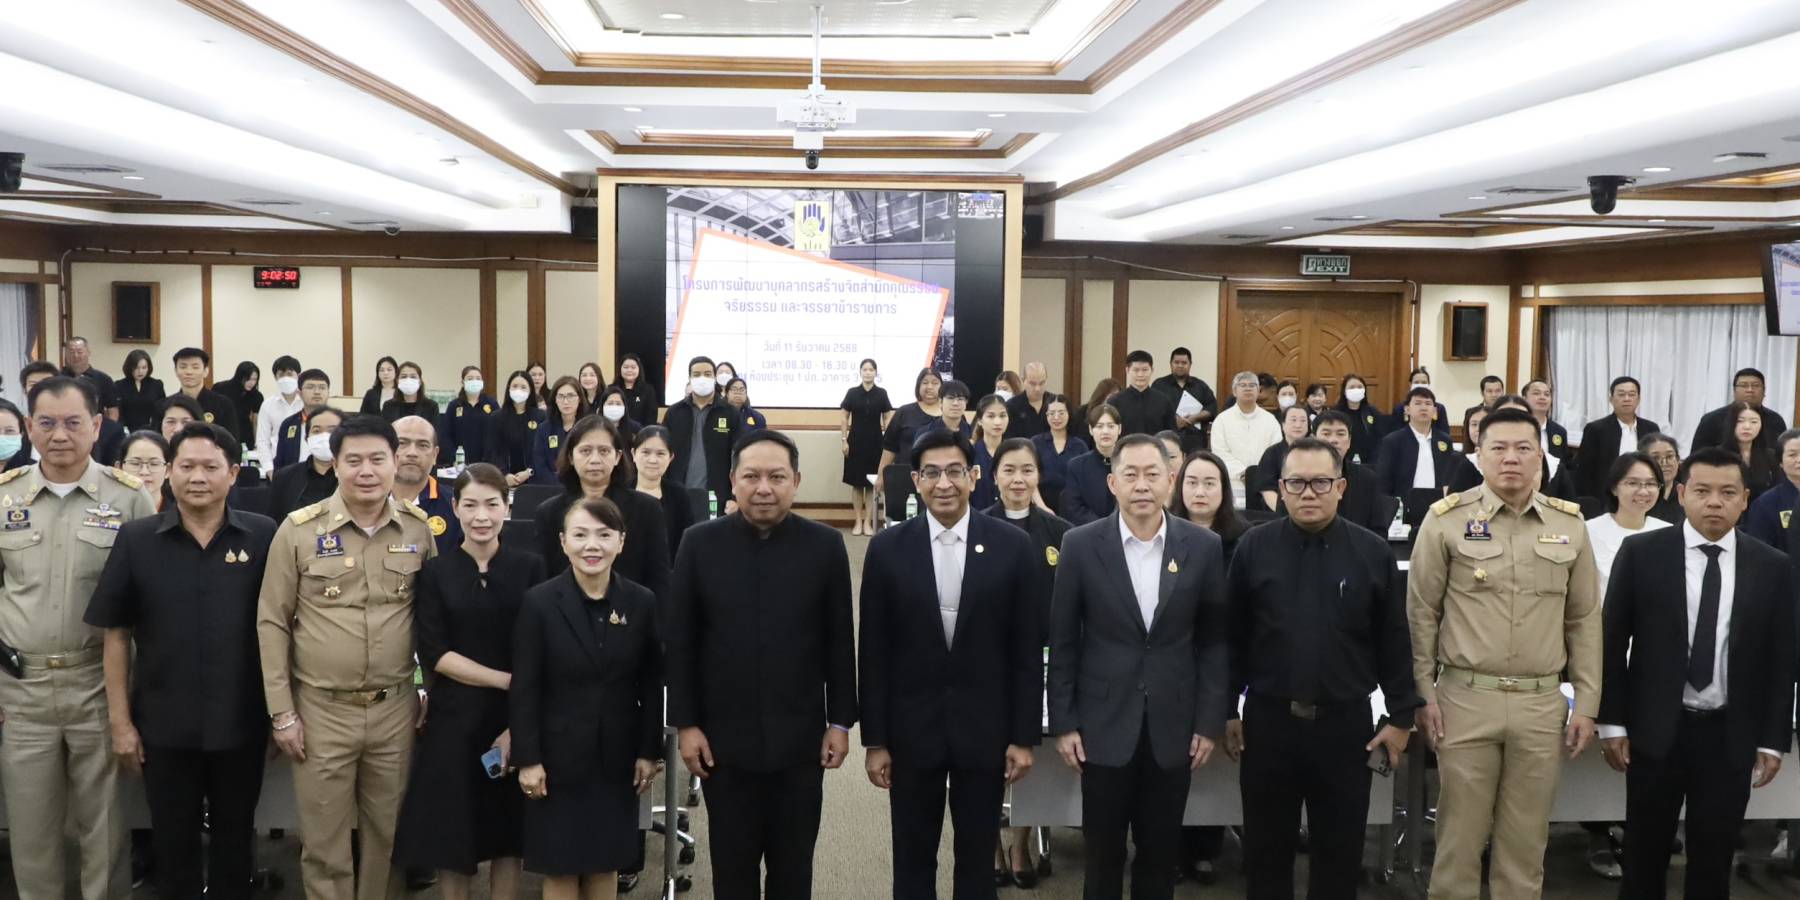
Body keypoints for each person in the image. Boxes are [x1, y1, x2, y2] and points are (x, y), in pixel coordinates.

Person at [1407, 407, 1600, 900]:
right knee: (1458, 841)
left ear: (1541, 457)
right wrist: (1423, 695)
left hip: (1540, 705)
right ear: (1479, 455)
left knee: (1525, 845)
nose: (1511, 458)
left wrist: (1588, 703)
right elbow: (1421, 614)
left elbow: (1583, 621)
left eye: (1523, 449)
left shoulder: (1570, 525)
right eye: (1498, 448)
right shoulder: (1446, 520)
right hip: (1465, 700)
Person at [85, 422, 274, 900]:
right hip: (164, 727)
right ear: (168, 473)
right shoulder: (137, 539)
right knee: (174, 848)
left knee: (236, 844)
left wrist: (280, 712)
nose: (198, 477)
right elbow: (115, 633)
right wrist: (120, 722)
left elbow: (284, 628)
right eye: (186, 466)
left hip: (242, 723)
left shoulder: (264, 536)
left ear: (233, 473)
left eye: (211, 467)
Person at [1225, 437, 1419, 900]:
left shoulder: (1373, 553)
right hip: (1269, 724)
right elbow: (1231, 637)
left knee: (1339, 855)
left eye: (1320, 482)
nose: (1308, 492)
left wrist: (1400, 718)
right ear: (1281, 488)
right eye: (1297, 483)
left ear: (1341, 487)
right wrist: (1227, 708)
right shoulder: (1253, 548)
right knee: (1266, 855)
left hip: (1345, 727)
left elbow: (1394, 639)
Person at [1598, 447, 1796, 899]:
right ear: (1682, 493)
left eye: (1728, 493)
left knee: (1713, 861)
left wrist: (1771, 738)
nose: (1714, 502)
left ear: (1745, 500)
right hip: (1655, 731)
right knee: (1644, 857)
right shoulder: (1642, 552)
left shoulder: (1771, 566)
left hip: (1729, 734)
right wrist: (1612, 721)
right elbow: (1610, 643)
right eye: (1703, 491)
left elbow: (1780, 658)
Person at [669, 430, 856, 900]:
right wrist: (686, 724)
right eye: (751, 476)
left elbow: (840, 641)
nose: (764, 488)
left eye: (776, 476)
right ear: (732, 481)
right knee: (732, 871)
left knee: (794, 870)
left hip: (801, 742)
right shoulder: (698, 543)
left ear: (796, 480)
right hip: (722, 745)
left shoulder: (825, 546)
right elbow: (682, 642)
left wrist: (840, 722)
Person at [257, 414, 437, 900]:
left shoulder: (419, 531)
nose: (366, 470)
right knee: (324, 842)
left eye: (378, 459)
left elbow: (432, 620)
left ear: (395, 462)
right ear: (334, 464)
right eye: (353, 460)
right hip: (320, 711)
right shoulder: (297, 532)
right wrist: (282, 713)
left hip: (394, 708)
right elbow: (272, 623)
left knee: (388, 838)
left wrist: (426, 689)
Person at [860, 428, 1039, 900]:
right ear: (916, 480)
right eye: (932, 473)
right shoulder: (887, 549)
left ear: (975, 476)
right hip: (910, 729)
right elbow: (873, 651)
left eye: (955, 471)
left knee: (977, 857)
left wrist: (1023, 736)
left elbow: (1025, 651)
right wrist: (875, 741)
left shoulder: (1012, 546)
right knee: (913, 855)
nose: (944, 483)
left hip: (985, 730)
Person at [1047, 434, 1227, 900]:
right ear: (1112, 483)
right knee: (1102, 856)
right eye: (1131, 475)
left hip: (1174, 727)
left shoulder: (1202, 546)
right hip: (1102, 728)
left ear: (1171, 479)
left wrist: (1209, 723)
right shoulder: (1080, 544)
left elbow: (1212, 643)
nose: (1142, 485)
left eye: (1153, 474)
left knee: (1160, 856)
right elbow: (1064, 643)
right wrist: (1064, 722)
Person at [0, 376, 157, 900]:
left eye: (72, 423)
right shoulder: (4, 498)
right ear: (29, 428)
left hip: (99, 684)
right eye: (46, 423)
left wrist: (134, 702)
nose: (59, 435)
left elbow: (150, 607)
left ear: (96, 426)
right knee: (32, 831)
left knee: (105, 829)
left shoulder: (129, 500)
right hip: (20, 689)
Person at [393, 463, 542, 900]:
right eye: (471, 504)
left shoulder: (530, 568)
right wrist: (508, 681)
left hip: (513, 717)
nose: (482, 516)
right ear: (454, 507)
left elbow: (536, 647)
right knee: (452, 839)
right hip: (454, 719)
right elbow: (437, 655)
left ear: (507, 508)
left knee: (506, 838)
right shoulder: (436, 572)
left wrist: (519, 717)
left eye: (492, 505)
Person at [510, 494, 662, 899]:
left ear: (621, 542)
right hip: (555, 759)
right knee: (560, 867)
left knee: (604, 863)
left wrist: (650, 750)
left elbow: (650, 682)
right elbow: (525, 685)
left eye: (604, 534)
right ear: (563, 542)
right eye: (580, 535)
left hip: (617, 757)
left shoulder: (642, 602)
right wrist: (529, 759)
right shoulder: (539, 602)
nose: (591, 545)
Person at [981, 437, 1069, 887]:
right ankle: (991, 846)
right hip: (988, 667)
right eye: (1009, 470)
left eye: (1027, 470)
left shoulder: (1060, 533)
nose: (1018, 479)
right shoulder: (978, 528)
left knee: (1030, 753)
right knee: (989, 757)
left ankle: (1020, 844)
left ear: (1038, 476)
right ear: (993, 475)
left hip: (1043, 665)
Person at [1169, 448, 1246, 886]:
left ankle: (1205, 848)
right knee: (1172, 761)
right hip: (1175, 662)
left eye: (1210, 483)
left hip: (1226, 663)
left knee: (1213, 760)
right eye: (1192, 482)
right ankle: (1169, 846)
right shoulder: (1161, 532)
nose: (1200, 491)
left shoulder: (1244, 539)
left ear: (1224, 491)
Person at [532, 414, 668, 599]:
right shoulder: (548, 512)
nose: (595, 459)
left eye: (604, 451)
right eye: (586, 451)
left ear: (618, 456)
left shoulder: (647, 509)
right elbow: (543, 582)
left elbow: (659, 580)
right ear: (571, 456)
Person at [1377, 387, 1480, 527]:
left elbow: (1450, 476)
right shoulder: (1393, 440)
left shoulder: (1444, 440)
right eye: (1418, 403)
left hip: (1439, 506)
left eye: (1428, 403)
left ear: (1435, 411)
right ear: (1407, 409)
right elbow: (1383, 480)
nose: (1423, 407)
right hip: (1405, 508)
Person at [662, 355, 740, 509]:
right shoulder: (674, 412)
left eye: (707, 374)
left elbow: (739, 456)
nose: (702, 378)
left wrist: (734, 496)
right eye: (696, 375)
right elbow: (664, 451)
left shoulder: (730, 413)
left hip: (717, 495)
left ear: (715, 378)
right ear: (690, 378)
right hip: (678, 493)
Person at [1576, 376, 1661, 500]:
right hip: (1607, 495)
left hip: (1643, 493)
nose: (1627, 399)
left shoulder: (1651, 428)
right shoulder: (1596, 429)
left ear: (1638, 399)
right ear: (1611, 399)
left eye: (1631, 394)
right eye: (1621, 394)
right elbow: (1585, 471)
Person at [391, 416, 462, 557]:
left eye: (422, 445)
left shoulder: (456, 506)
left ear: (435, 455)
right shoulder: (366, 502)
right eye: (402, 443)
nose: (412, 453)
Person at [840, 358, 893, 536]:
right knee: (856, 484)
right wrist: (844, 440)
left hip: (876, 444)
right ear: (860, 372)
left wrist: (888, 438)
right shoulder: (852, 393)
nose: (868, 372)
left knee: (871, 484)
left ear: (876, 372)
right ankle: (857, 521)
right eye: (865, 369)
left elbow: (887, 417)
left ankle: (868, 522)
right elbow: (844, 417)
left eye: (871, 369)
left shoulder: (882, 393)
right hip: (855, 443)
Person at [1212, 371, 1283, 502]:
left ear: (1258, 391)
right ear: (1234, 391)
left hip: (1264, 485)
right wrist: (1244, 472)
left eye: (1252, 385)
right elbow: (1220, 452)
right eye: (1243, 385)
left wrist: (1258, 473)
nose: (1248, 388)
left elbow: (1275, 451)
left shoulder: (1270, 420)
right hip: (1232, 483)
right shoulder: (1222, 420)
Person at [268, 406, 344, 518]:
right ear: (307, 437)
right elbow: (274, 522)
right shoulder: (285, 477)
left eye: (332, 431)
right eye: (316, 431)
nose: (324, 436)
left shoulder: (355, 476)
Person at [633, 425, 696, 557]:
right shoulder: (619, 491)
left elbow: (686, 544)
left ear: (671, 458)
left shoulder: (679, 495)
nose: (652, 460)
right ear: (633, 454)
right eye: (645, 452)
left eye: (660, 454)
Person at [1691, 367, 1790, 452]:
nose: (1750, 390)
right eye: (1743, 385)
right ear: (1734, 391)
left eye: (1756, 385)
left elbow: (1782, 457)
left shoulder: (1776, 420)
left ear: (1764, 391)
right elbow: (1696, 457)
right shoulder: (1711, 419)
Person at [879, 370, 948, 491]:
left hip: (941, 479)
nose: (930, 387)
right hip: (905, 477)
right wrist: (881, 476)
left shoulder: (951, 414)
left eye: (935, 383)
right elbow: (889, 448)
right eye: (925, 382)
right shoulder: (904, 412)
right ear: (918, 386)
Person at [1060, 403, 1121, 525]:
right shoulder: (1077, 466)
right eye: (1099, 426)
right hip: (1090, 532)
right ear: (1090, 430)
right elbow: (1073, 507)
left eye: (1111, 426)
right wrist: (1103, 527)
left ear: (1119, 429)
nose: (1105, 431)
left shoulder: (1129, 463)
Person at [484, 370, 545, 486]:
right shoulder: (497, 417)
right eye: (515, 386)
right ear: (509, 389)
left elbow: (543, 451)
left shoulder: (540, 416)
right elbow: (491, 450)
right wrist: (504, 474)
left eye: (523, 387)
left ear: (530, 390)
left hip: (533, 480)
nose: (518, 390)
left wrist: (529, 471)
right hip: (503, 480)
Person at [1149, 348, 1216, 453]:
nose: (1180, 365)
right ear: (1171, 364)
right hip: (1167, 440)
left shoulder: (1200, 386)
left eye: (1184, 363)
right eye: (1176, 362)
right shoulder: (1159, 385)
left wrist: (1194, 418)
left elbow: (1212, 409)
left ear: (1190, 364)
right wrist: (1173, 420)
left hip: (1195, 441)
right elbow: (1153, 410)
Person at [1031, 394, 1088, 517]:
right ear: (1046, 415)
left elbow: (1084, 482)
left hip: (1073, 511)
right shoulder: (1035, 443)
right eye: (1051, 413)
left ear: (1069, 414)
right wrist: (1042, 508)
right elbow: (1031, 478)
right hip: (1041, 509)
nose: (1056, 417)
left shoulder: (1080, 446)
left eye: (1061, 413)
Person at [169, 347, 241, 441]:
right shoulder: (167, 405)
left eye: (195, 367)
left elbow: (232, 442)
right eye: (183, 367)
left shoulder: (223, 404)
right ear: (176, 371)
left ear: (206, 371)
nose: (189, 372)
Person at [1744, 428, 1800, 546]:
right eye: (1792, 455)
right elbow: (1759, 549)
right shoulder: (1765, 504)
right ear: (1780, 462)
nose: (1799, 460)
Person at [271, 370, 335, 471]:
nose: (317, 392)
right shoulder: (289, 424)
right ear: (299, 393)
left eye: (322, 387)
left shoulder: (340, 423)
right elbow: (280, 461)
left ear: (328, 392)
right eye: (310, 387)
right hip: (295, 482)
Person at [1253, 404, 1312, 512]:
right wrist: (1285, 511)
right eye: (1293, 420)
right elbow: (1267, 489)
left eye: (1303, 421)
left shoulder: (1316, 453)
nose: (1298, 425)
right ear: (1283, 425)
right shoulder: (1272, 453)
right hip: (1279, 511)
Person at [256, 355, 306, 476]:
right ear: (275, 377)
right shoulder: (268, 405)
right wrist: (269, 469)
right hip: (277, 467)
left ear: (298, 376)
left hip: (305, 466)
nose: (285, 378)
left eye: (290, 374)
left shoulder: (307, 402)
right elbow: (262, 441)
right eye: (281, 375)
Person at [1108, 350, 1177, 438]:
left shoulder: (1164, 401)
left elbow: (1171, 434)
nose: (1140, 374)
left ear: (1152, 370)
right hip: (1125, 450)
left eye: (1145, 370)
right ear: (1127, 370)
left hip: (1155, 450)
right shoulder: (1115, 402)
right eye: (1136, 370)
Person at [532, 376, 587, 486]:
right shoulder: (544, 429)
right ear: (555, 400)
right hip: (551, 488)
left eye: (570, 396)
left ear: (579, 398)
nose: (566, 401)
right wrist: (558, 485)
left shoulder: (588, 428)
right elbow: (539, 464)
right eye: (561, 397)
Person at [439, 366, 497, 467]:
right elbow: (445, 436)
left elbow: (498, 433)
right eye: (470, 379)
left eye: (478, 378)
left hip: (487, 463)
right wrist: (454, 459)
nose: (474, 381)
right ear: (462, 382)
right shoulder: (454, 405)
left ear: (482, 382)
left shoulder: (491, 403)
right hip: (460, 463)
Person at [1723, 400, 1780, 500]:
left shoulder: (1771, 456)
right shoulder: (1718, 455)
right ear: (1731, 423)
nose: (1747, 427)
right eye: (1740, 421)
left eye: (1754, 422)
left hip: (1762, 512)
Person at [60, 336, 120, 420]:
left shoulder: (103, 379)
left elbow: (112, 409)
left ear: (88, 352)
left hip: (94, 427)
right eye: (71, 352)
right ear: (65, 354)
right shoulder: (57, 379)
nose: (76, 355)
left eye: (79, 352)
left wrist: (110, 430)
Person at [970, 394, 1009, 511]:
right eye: (991, 416)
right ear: (980, 421)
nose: (997, 422)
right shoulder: (970, 453)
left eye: (1002, 416)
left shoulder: (1013, 452)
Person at [1521, 379, 1570, 475]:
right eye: (1536, 393)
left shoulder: (1559, 431)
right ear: (1524, 399)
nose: (1542, 397)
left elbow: (1564, 464)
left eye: (1547, 394)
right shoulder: (1517, 427)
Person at [1333, 373, 1383, 466]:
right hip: (1342, 464)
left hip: (1369, 465)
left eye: (1360, 387)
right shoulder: (1335, 413)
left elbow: (1380, 439)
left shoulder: (1372, 412)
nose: (1356, 390)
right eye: (1352, 387)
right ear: (1344, 391)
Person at [117, 430, 170, 508]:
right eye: (135, 463)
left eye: (154, 464)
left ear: (168, 470)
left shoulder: (181, 515)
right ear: (119, 468)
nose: (144, 472)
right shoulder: (104, 512)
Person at [1390, 367, 1448, 437]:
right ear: (1410, 384)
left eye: (1424, 382)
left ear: (1428, 384)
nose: (1420, 385)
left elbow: (1444, 434)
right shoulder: (1400, 408)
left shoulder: (1439, 408)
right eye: (1416, 382)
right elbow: (1395, 435)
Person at [118, 348, 166, 432]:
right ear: (129, 368)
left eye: (144, 368)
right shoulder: (119, 385)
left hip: (152, 430)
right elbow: (119, 411)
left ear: (149, 368)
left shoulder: (156, 384)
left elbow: (162, 409)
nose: (140, 371)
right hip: (127, 430)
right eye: (136, 368)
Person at [214, 360, 262, 443]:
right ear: (239, 377)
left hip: (245, 434)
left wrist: (257, 442)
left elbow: (256, 421)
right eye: (248, 379)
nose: (252, 383)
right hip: (224, 431)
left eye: (254, 379)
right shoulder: (220, 388)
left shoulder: (256, 395)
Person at [1640, 433, 1683, 524]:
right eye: (1656, 457)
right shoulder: (1638, 496)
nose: (1664, 463)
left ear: (1678, 460)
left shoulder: (1686, 493)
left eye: (1669, 456)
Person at [1004, 362, 1053, 440]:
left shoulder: (1055, 403)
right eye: (1032, 384)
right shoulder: (1011, 406)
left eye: (1042, 383)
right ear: (1023, 380)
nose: (1037, 389)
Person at [1071, 378, 1120, 452]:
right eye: (1111, 396)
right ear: (1101, 396)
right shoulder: (1081, 412)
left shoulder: (1118, 413)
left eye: (1117, 397)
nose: (1114, 400)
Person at [615, 353, 658, 427]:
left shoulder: (648, 390)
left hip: (641, 434)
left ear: (639, 369)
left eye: (633, 367)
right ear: (620, 369)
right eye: (626, 367)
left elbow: (651, 418)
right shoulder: (613, 389)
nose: (629, 370)